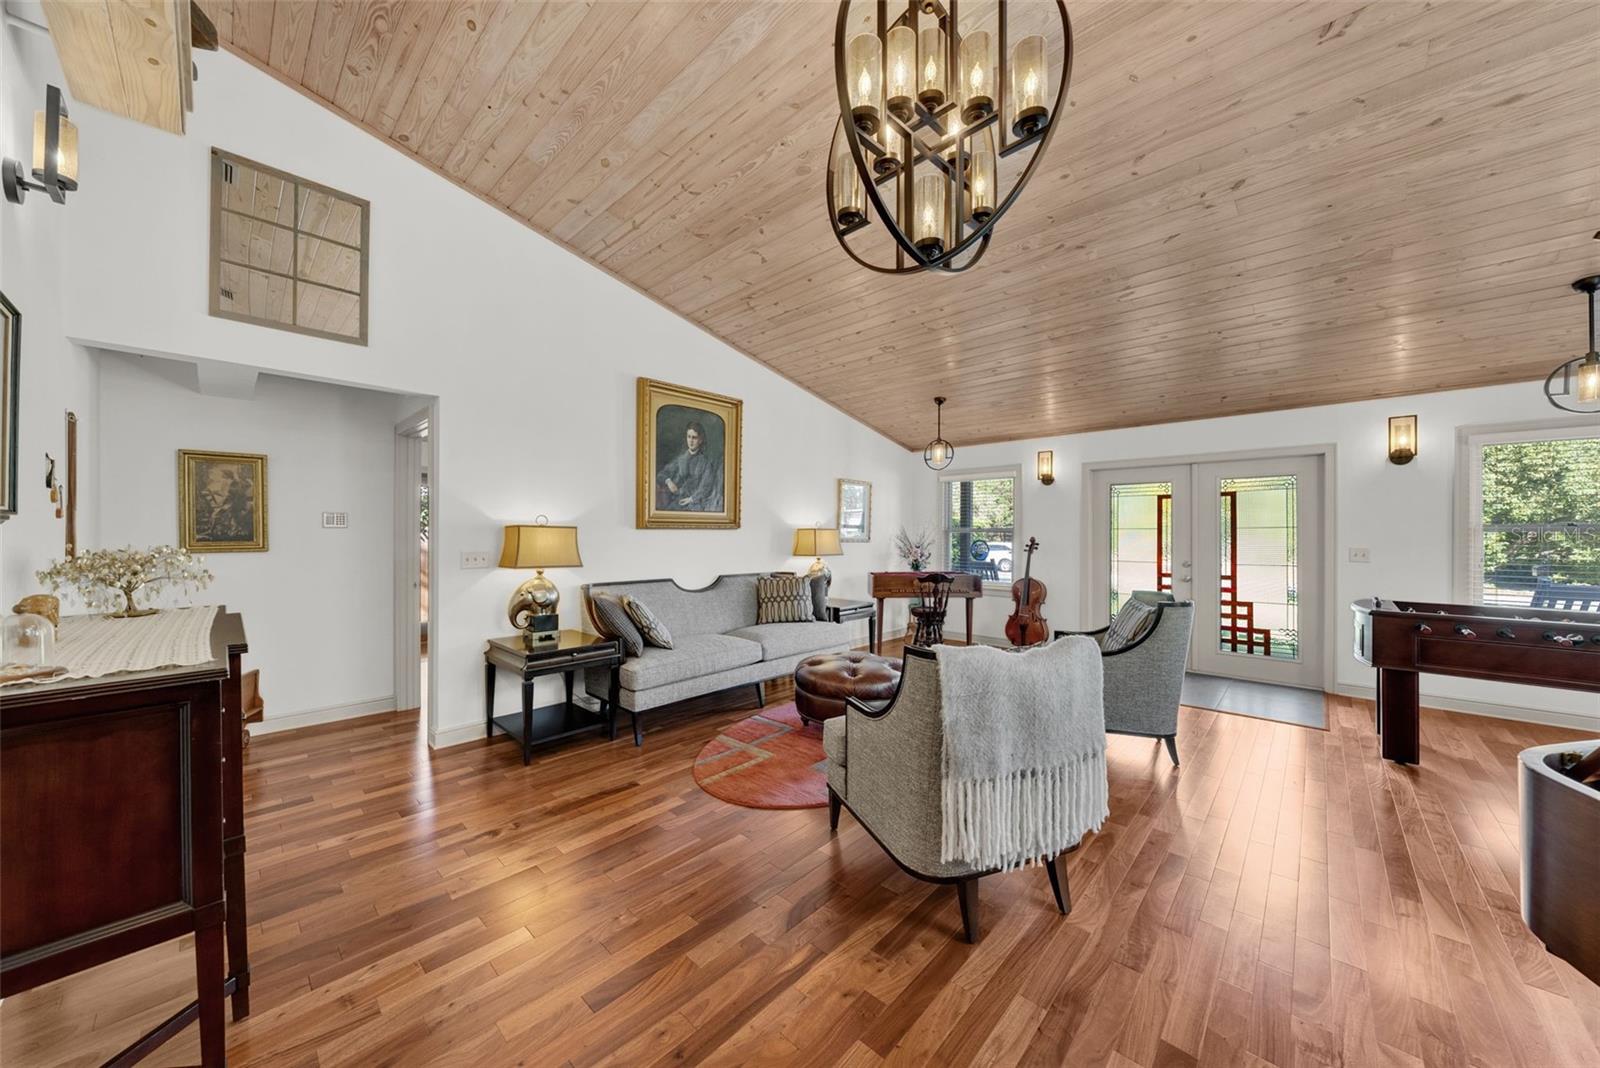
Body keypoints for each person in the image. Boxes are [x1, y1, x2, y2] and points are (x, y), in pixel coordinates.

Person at [657, 419, 723, 511]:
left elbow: (706, 487)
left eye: (694, 437)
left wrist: (691, 499)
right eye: (689, 437)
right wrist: (668, 481)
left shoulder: (706, 463)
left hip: (695, 504)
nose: (691, 441)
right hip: (676, 500)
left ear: (700, 440)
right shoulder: (681, 459)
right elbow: (662, 474)